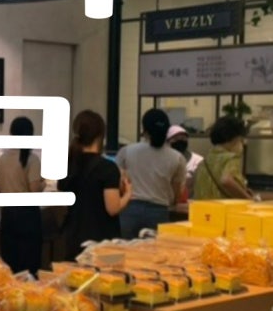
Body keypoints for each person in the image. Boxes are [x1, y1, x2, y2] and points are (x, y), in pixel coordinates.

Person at [58, 110, 131, 260]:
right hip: (103, 242)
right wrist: (128, 194)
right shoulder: (107, 168)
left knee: (75, 274)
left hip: (74, 238)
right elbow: (113, 208)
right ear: (100, 136)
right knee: (108, 274)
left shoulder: (69, 164)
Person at [116, 108, 186, 238]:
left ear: (144, 130)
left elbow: (119, 183)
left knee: (125, 248)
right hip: (159, 211)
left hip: (129, 209)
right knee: (154, 249)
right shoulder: (177, 158)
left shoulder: (126, 151)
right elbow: (177, 191)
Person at [0, 116, 44, 275]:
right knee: (29, 264)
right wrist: (43, 183)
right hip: (27, 215)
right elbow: (34, 189)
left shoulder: (2, 158)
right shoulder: (32, 159)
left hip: (8, 215)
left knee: (10, 262)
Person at [193, 116, 255, 200]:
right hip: (222, 207)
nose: (243, 144)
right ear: (235, 139)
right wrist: (248, 198)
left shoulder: (204, 161)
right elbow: (226, 181)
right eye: (241, 140)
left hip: (200, 207)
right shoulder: (231, 158)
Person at [166, 124, 204, 200]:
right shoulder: (163, 160)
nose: (180, 140)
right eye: (175, 138)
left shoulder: (198, 160)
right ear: (167, 141)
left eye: (183, 138)